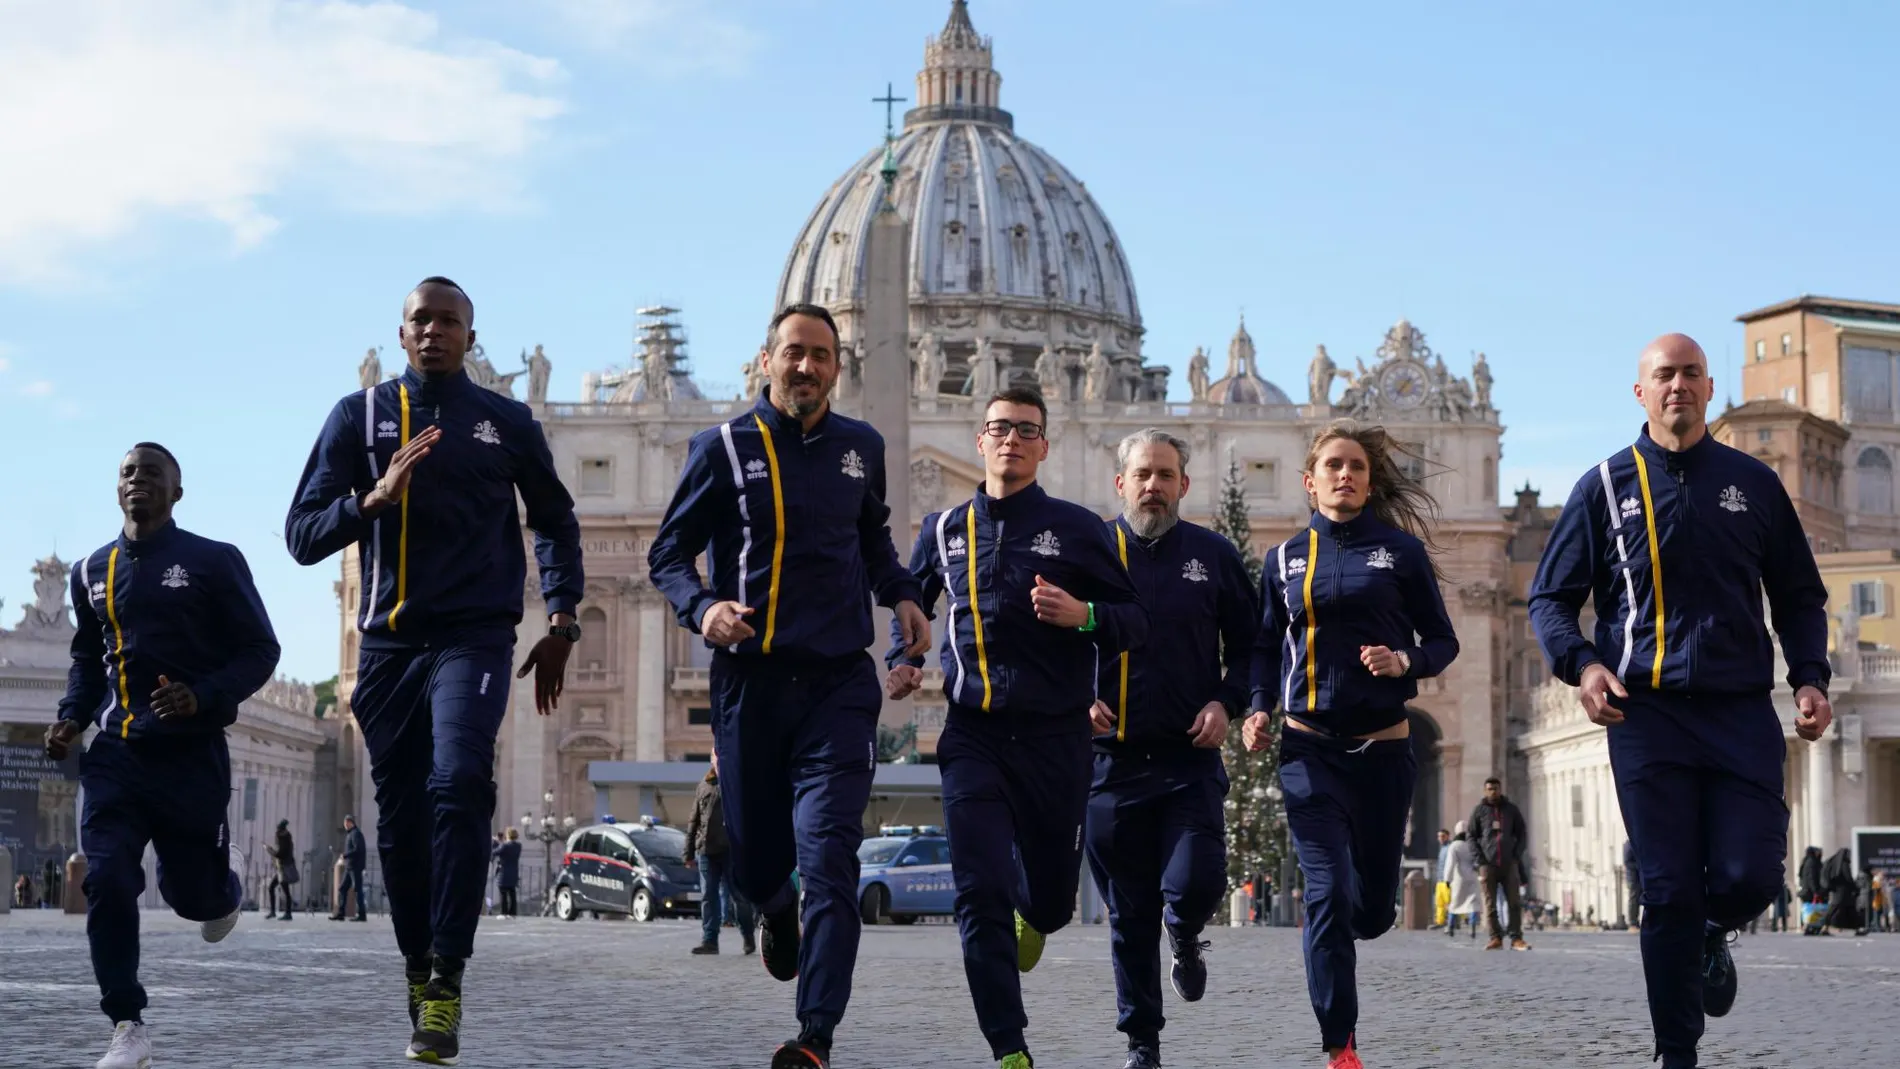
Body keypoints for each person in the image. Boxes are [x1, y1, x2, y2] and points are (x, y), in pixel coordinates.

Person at [286, 276, 584, 1065]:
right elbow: (300, 534)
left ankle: (449, 971)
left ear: (469, 334)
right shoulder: (360, 417)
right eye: (422, 319)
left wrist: (560, 619)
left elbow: (555, 519)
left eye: (450, 320)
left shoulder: (504, 420)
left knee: (460, 783)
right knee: (405, 822)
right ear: (402, 328)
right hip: (388, 647)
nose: (434, 331)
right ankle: (418, 966)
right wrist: (370, 501)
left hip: (476, 639)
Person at [1528, 333, 1831, 1069]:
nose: (1678, 386)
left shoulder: (1753, 484)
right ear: (1641, 392)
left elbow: (1798, 593)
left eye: (1692, 373)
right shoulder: (1602, 486)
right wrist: (1584, 666)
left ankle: (1710, 929)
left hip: (1738, 710)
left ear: (1709, 388)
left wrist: (1810, 677)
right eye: (1664, 374)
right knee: (1664, 891)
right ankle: (1677, 1054)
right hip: (1646, 714)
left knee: (1751, 878)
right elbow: (1551, 598)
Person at [648, 302, 927, 1069]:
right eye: (794, 353)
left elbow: (871, 537)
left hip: (839, 684)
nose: (807, 368)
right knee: (757, 862)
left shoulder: (860, 447)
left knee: (833, 856)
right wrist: (703, 610)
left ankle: (816, 1036)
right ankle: (775, 910)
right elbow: (667, 556)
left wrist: (902, 592)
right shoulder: (720, 449)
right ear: (766, 359)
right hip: (751, 685)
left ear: (839, 366)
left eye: (822, 356)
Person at [887, 387, 1147, 1069]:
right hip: (971, 733)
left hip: (1056, 736)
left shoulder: (1080, 527)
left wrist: (1083, 615)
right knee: (977, 889)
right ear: (981, 439)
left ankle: (1039, 913)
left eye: (1025, 430)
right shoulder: (942, 529)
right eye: (999, 428)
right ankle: (1009, 1044)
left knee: (1053, 904)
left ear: (1043, 446)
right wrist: (904, 656)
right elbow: (910, 605)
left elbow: (1134, 620)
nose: (1011, 439)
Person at [44, 443, 279, 1069]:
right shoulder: (91, 569)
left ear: (177, 492)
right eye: (128, 472)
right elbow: (86, 660)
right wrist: (71, 717)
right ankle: (127, 1022)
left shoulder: (213, 561)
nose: (138, 480)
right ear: (115, 489)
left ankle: (222, 888)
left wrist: (201, 696)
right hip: (115, 756)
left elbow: (261, 649)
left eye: (153, 473)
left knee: (192, 899)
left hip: (191, 756)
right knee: (108, 879)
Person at [1241, 420, 1459, 1069]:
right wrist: (1258, 708)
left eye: (1356, 466)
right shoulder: (1283, 560)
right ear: (1309, 481)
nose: (1346, 475)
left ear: (1368, 481)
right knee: (1327, 892)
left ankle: (1351, 924)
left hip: (1384, 751)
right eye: (1333, 465)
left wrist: (1405, 660)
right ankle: (1341, 1043)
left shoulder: (1401, 553)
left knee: (1369, 912)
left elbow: (1443, 640)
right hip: (1309, 750)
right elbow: (1260, 646)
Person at [1081, 428, 1257, 1069]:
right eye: (1142, 474)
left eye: (1165, 475)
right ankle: (1142, 1042)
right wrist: (1078, 696)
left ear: (1184, 484)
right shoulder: (1090, 550)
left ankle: (1184, 932)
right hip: (1111, 762)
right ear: (1120, 483)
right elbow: (1048, 639)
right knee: (1128, 914)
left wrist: (1227, 701)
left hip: (1188, 758)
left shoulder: (1212, 555)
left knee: (1198, 878)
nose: (1153, 486)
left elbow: (1249, 645)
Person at [685, 751, 757, 956]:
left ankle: (748, 936)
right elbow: (694, 820)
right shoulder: (703, 785)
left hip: (732, 851)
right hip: (706, 851)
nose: (719, 762)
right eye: (716, 758)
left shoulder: (738, 783)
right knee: (708, 896)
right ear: (712, 761)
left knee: (739, 898)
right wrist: (688, 853)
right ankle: (709, 941)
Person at [1468, 777, 1530, 950]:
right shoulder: (1479, 811)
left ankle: (1516, 937)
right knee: (1490, 903)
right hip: (1487, 864)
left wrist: (1516, 855)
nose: (1493, 792)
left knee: (1514, 902)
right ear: (1485, 790)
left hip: (1509, 863)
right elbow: (1471, 836)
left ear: (1500, 789)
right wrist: (1479, 859)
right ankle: (1495, 937)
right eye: (1489, 789)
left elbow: (1522, 833)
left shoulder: (1511, 810)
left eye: (1495, 788)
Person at [332, 815, 369, 921]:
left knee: (358, 889)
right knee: (342, 888)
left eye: (345, 823)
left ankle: (362, 914)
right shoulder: (351, 834)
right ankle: (341, 913)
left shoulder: (356, 834)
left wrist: (345, 855)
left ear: (349, 822)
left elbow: (358, 849)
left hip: (355, 867)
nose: (344, 826)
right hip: (350, 867)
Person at [1446, 823, 1479, 939]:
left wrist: (1447, 879)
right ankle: (1472, 926)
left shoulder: (1454, 846)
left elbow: (1450, 863)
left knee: (1455, 902)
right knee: (1473, 903)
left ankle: (1450, 926)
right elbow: (1478, 858)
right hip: (1473, 875)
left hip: (1458, 876)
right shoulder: (1472, 844)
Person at [266, 819, 299, 920]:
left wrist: (270, 850)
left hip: (283, 869)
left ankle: (287, 913)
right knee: (272, 887)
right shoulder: (286, 838)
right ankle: (273, 912)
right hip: (282, 868)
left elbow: (280, 854)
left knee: (285, 891)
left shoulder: (283, 839)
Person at [492, 828, 521, 918]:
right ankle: (512, 913)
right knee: (512, 893)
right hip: (514, 872)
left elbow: (495, 852)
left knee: (503, 893)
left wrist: (496, 842)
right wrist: (502, 843)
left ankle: (503, 913)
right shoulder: (518, 846)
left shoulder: (504, 846)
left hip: (503, 872)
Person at [1431, 828, 1453, 929]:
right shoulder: (1442, 848)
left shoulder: (1450, 847)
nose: (1440, 838)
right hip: (1440, 879)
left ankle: (1452, 922)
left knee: (1449, 901)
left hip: (1447, 879)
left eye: (1442, 836)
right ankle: (1440, 921)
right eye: (1439, 836)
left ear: (1448, 836)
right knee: (1439, 902)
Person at [1625, 838, 1643, 931]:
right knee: (1634, 899)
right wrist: (1640, 865)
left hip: (1640, 876)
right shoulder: (1630, 844)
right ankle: (1633, 922)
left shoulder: (1639, 842)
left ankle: (1638, 922)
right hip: (1633, 877)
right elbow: (1628, 862)